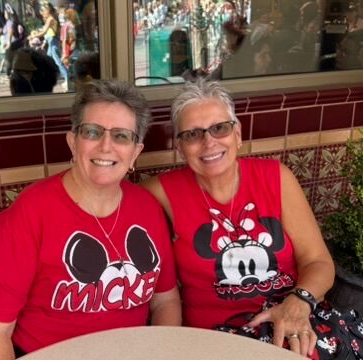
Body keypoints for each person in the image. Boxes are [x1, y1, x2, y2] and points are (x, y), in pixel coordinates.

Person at [0, 79, 182, 359]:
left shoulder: (147, 210)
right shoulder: (30, 215)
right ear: (73, 142)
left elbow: (165, 301)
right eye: (93, 132)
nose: (106, 146)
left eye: (121, 136)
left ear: (135, 153)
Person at [142, 79, 335, 358]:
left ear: (238, 134)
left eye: (219, 128)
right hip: (214, 337)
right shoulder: (161, 193)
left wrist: (300, 301)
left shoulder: (276, 177)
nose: (209, 142)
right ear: (180, 147)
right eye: (193, 134)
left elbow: (318, 261)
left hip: (292, 319)